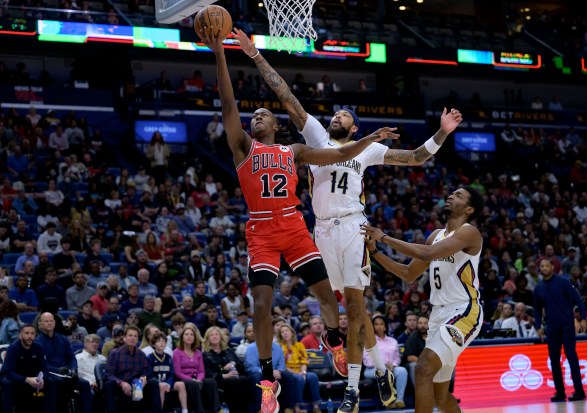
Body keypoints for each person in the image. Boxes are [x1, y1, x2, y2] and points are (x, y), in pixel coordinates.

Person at [232, 28, 463, 413]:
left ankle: (354, 389)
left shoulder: (367, 149)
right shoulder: (316, 137)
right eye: (336, 112)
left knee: (356, 306)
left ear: (354, 128)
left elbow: (416, 158)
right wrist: (255, 56)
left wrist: (441, 132)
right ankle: (380, 368)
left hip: (353, 226)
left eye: (344, 114)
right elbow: (285, 97)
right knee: (341, 310)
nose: (336, 115)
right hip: (320, 231)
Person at [200, 29, 398, 413]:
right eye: (253, 116)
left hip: (293, 227)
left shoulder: (296, 151)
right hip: (261, 230)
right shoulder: (243, 147)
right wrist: (220, 54)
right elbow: (227, 103)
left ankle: (336, 341)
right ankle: (267, 380)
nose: (255, 117)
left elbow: (339, 156)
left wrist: (369, 139)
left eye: (262, 115)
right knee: (260, 305)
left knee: (329, 303)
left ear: (275, 125)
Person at [361, 186, 485, 413]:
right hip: (438, 315)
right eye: (451, 193)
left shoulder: (470, 233)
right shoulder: (435, 236)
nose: (450, 196)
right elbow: (408, 274)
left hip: (464, 311)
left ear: (469, 209)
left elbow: (426, 254)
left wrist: (385, 237)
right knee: (440, 396)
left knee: (423, 366)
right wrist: (376, 252)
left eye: (458, 195)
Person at [534, 259, 587, 402]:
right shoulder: (538, 288)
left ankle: (579, 391)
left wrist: (583, 319)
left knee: (571, 356)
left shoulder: (563, 282)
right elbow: (537, 310)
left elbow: (578, 300)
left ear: (552, 267)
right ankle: (560, 392)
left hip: (566, 325)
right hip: (551, 327)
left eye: (546, 266)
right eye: (542, 266)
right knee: (554, 360)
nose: (544, 268)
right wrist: (538, 326)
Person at [36, 312, 94, 413]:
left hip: (66, 373)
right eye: (46, 321)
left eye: (51, 321)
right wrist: (58, 370)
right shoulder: (37, 343)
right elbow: (41, 365)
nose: (49, 323)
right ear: (40, 324)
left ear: (54, 322)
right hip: (51, 374)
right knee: (57, 382)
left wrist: (73, 369)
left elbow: (72, 358)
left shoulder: (63, 339)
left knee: (85, 384)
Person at [104, 325, 162, 413]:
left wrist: (144, 378)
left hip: (137, 385)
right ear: (124, 337)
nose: (132, 338)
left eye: (135, 336)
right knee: (109, 384)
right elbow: (109, 374)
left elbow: (147, 370)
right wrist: (121, 383)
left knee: (153, 382)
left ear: (138, 339)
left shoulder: (141, 354)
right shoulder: (115, 353)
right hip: (121, 385)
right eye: (130, 335)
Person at [0, 324, 56, 413]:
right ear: (20, 335)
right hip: (11, 375)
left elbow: (45, 369)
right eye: (27, 333)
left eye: (32, 333)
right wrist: (27, 379)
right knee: (8, 384)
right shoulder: (13, 348)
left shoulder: (38, 347)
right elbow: (9, 372)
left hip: (31, 375)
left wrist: (42, 379)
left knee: (50, 381)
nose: (30, 336)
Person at [203, 326, 255, 413]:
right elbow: (209, 373)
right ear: (208, 339)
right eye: (211, 335)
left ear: (221, 336)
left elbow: (241, 366)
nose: (215, 336)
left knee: (245, 380)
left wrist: (235, 364)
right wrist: (224, 372)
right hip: (219, 380)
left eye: (216, 334)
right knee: (233, 382)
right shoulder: (206, 355)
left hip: (234, 376)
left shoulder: (229, 351)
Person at [172, 323, 220, 413]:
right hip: (184, 379)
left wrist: (199, 379)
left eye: (191, 335)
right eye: (187, 334)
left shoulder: (198, 352)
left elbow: (201, 371)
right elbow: (178, 372)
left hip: (197, 379)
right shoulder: (176, 352)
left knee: (211, 382)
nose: (189, 336)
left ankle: (215, 410)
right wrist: (193, 380)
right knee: (193, 384)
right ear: (182, 337)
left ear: (194, 338)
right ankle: (200, 411)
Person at [277, 323, 322, 413]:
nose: (285, 333)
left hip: (300, 371)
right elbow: (281, 365)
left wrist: (303, 372)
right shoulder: (279, 347)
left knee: (313, 376)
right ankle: (297, 407)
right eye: (282, 332)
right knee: (299, 378)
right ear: (280, 335)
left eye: (287, 331)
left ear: (292, 333)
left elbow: (304, 360)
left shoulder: (299, 345)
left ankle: (316, 406)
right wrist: (297, 373)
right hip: (287, 372)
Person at [148, 331, 188, 413]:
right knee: (162, 386)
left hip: (168, 383)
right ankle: (160, 410)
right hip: (157, 384)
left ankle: (185, 410)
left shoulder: (169, 357)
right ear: (153, 344)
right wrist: (159, 383)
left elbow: (172, 373)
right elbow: (150, 374)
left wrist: (169, 384)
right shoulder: (150, 357)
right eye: (159, 341)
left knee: (181, 384)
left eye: (163, 341)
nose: (161, 343)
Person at [403, 314, 429, 390]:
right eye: (420, 323)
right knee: (414, 365)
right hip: (416, 363)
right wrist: (424, 363)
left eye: (425, 323)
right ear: (417, 325)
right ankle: (419, 393)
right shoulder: (412, 338)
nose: (423, 325)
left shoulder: (433, 337)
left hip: (431, 363)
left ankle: (445, 394)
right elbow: (410, 357)